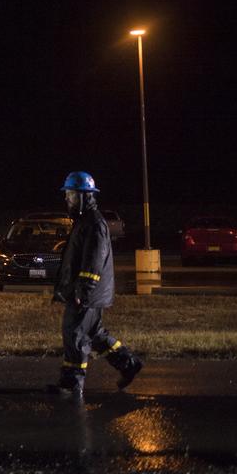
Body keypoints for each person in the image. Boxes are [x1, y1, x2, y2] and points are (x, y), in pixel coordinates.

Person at [48, 171, 144, 398]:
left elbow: (93, 260)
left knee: (75, 333)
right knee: (94, 334)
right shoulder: (85, 221)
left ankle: (72, 384)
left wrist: (83, 289)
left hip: (86, 293)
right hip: (87, 292)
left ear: (84, 196)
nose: (67, 199)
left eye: (71, 195)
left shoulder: (94, 223)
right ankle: (129, 364)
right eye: (67, 195)